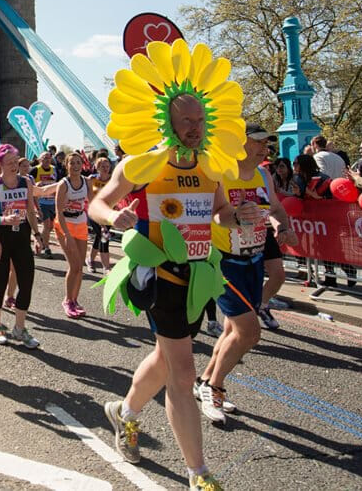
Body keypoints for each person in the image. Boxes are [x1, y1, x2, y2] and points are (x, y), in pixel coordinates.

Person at [89, 93, 252, 490]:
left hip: (198, 277)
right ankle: (199, 473)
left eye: (200, 119)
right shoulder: (143, 164)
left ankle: (124, 413)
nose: (195, 127)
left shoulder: (209, 164)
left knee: (166, 358)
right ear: (166, 121)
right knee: (183, 371)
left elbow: (218, 211)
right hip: (158, 276)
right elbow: (98, 203)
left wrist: (238, 216)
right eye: (187, 121)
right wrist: (115, 216)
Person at [197, 124, 293, 425]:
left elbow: (275, 208)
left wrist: (283, 226)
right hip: (225, 262)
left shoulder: (264, 176)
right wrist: (234, 217)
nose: (265, 148)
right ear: (240, 144)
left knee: (231, 332)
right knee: (249, 333)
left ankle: (203, 382)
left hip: (253, 260)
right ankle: (215, 389)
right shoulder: (221, 173)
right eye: (259, 142)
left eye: (267, 143)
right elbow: (214, 213)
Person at [0, 144, 43, 348]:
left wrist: (37, 234)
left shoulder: (25, 183)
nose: (13, 166)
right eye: (8, 162)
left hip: (22, 237)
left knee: (26, 283)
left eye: (14, 162)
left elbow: (30, 211)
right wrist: (2, 221)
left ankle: (19, 328)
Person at [54, 152, 91, 318]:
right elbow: (59, 212)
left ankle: (75, 300)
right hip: (65, 225)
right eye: (72, 163)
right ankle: (67, 300)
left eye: (78, 163)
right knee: (74, 265)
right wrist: (67, 234)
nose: (75, 166)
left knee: (80, 267)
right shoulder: (63, 184)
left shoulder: (86, 181)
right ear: (66, 166)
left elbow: (93, 201)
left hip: (81, 223)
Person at [86, 157, 114, 272]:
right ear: (97, 168)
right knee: (104, 237)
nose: (106, 169)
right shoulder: (91, 179)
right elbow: (91, 199)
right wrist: (101, 223)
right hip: (94, 212)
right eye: (102, 166)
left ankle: (90, 260)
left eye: (107, 166)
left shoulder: (112, 179)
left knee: (99, 237)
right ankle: (106, 267)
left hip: (108, 213)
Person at [29, 152, 57, 257]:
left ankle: (41, 238)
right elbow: (29, 186)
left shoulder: (53, 169)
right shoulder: (35, 170)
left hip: (52, 201)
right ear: (40, 159)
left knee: (50, 227)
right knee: (46, 224)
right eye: (45, 158)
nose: (47, 160)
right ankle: (47, 248)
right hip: (41, 202)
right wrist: (36, 186)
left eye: (49, 158)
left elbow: (56, 183)